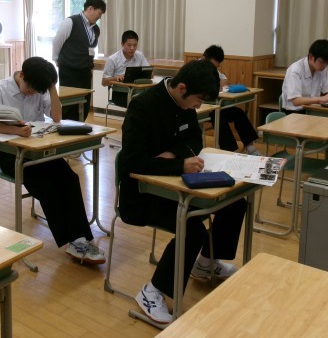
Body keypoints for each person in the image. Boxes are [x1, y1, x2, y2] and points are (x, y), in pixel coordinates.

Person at [118, 60, 247, 324]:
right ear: (182, 88)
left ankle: (206, 262)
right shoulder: (142, 107)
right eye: (198, 100)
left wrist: (172, 156)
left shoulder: (184, 104)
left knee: (235, 202)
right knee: (193, 228)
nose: (198, 107)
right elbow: (132, 162)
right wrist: (178, 164)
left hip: (177, 185)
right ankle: (151, 292)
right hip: (143, 196)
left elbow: (195, 141)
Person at [0, 56, 105, 265]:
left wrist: (52, 87)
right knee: (48, 186)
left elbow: (56, 117)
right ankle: (74, 242)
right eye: (29, 88)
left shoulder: (39, 87)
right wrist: (17, 131)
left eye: (36, 91)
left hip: (39, 152)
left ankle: (81, 238)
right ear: (22, 75)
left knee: (70, 179)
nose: (32, 93)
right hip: (12, 156)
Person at [52, 0, 106, 121]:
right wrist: (57, 61)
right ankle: (67, 128)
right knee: (69, 104)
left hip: (85, 70)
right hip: (69, 70)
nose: (99, 17)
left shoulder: (96, 29)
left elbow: (90, 48)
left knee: (85, 102)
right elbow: (57, 42)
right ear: (90, 8)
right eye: (99, 13)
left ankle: (81, 126)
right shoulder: (71, 22)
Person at [203, 45, 261, 155]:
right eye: (214, 65)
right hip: (203, 106)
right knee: (219, 117)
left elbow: (224, 80)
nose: (215, 68)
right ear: (206, 58)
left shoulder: (212, 68)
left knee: (239, 113)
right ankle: (230, 152)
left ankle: (250, 147)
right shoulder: (196, 69)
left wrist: (216, 85)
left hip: (216, 105)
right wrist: (215, 86)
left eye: (217, 66)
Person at [101, 30, 150, 108]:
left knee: (153, 100)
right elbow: (104, 82)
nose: (132, 48)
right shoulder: (112, 59)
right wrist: (115, 78)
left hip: (138, 91)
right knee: (140, 103)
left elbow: (149, 71)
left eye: (135, 45)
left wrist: (150, 73)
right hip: (120, 93)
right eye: (129, 45)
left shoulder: (139, 55)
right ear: (122, 44)